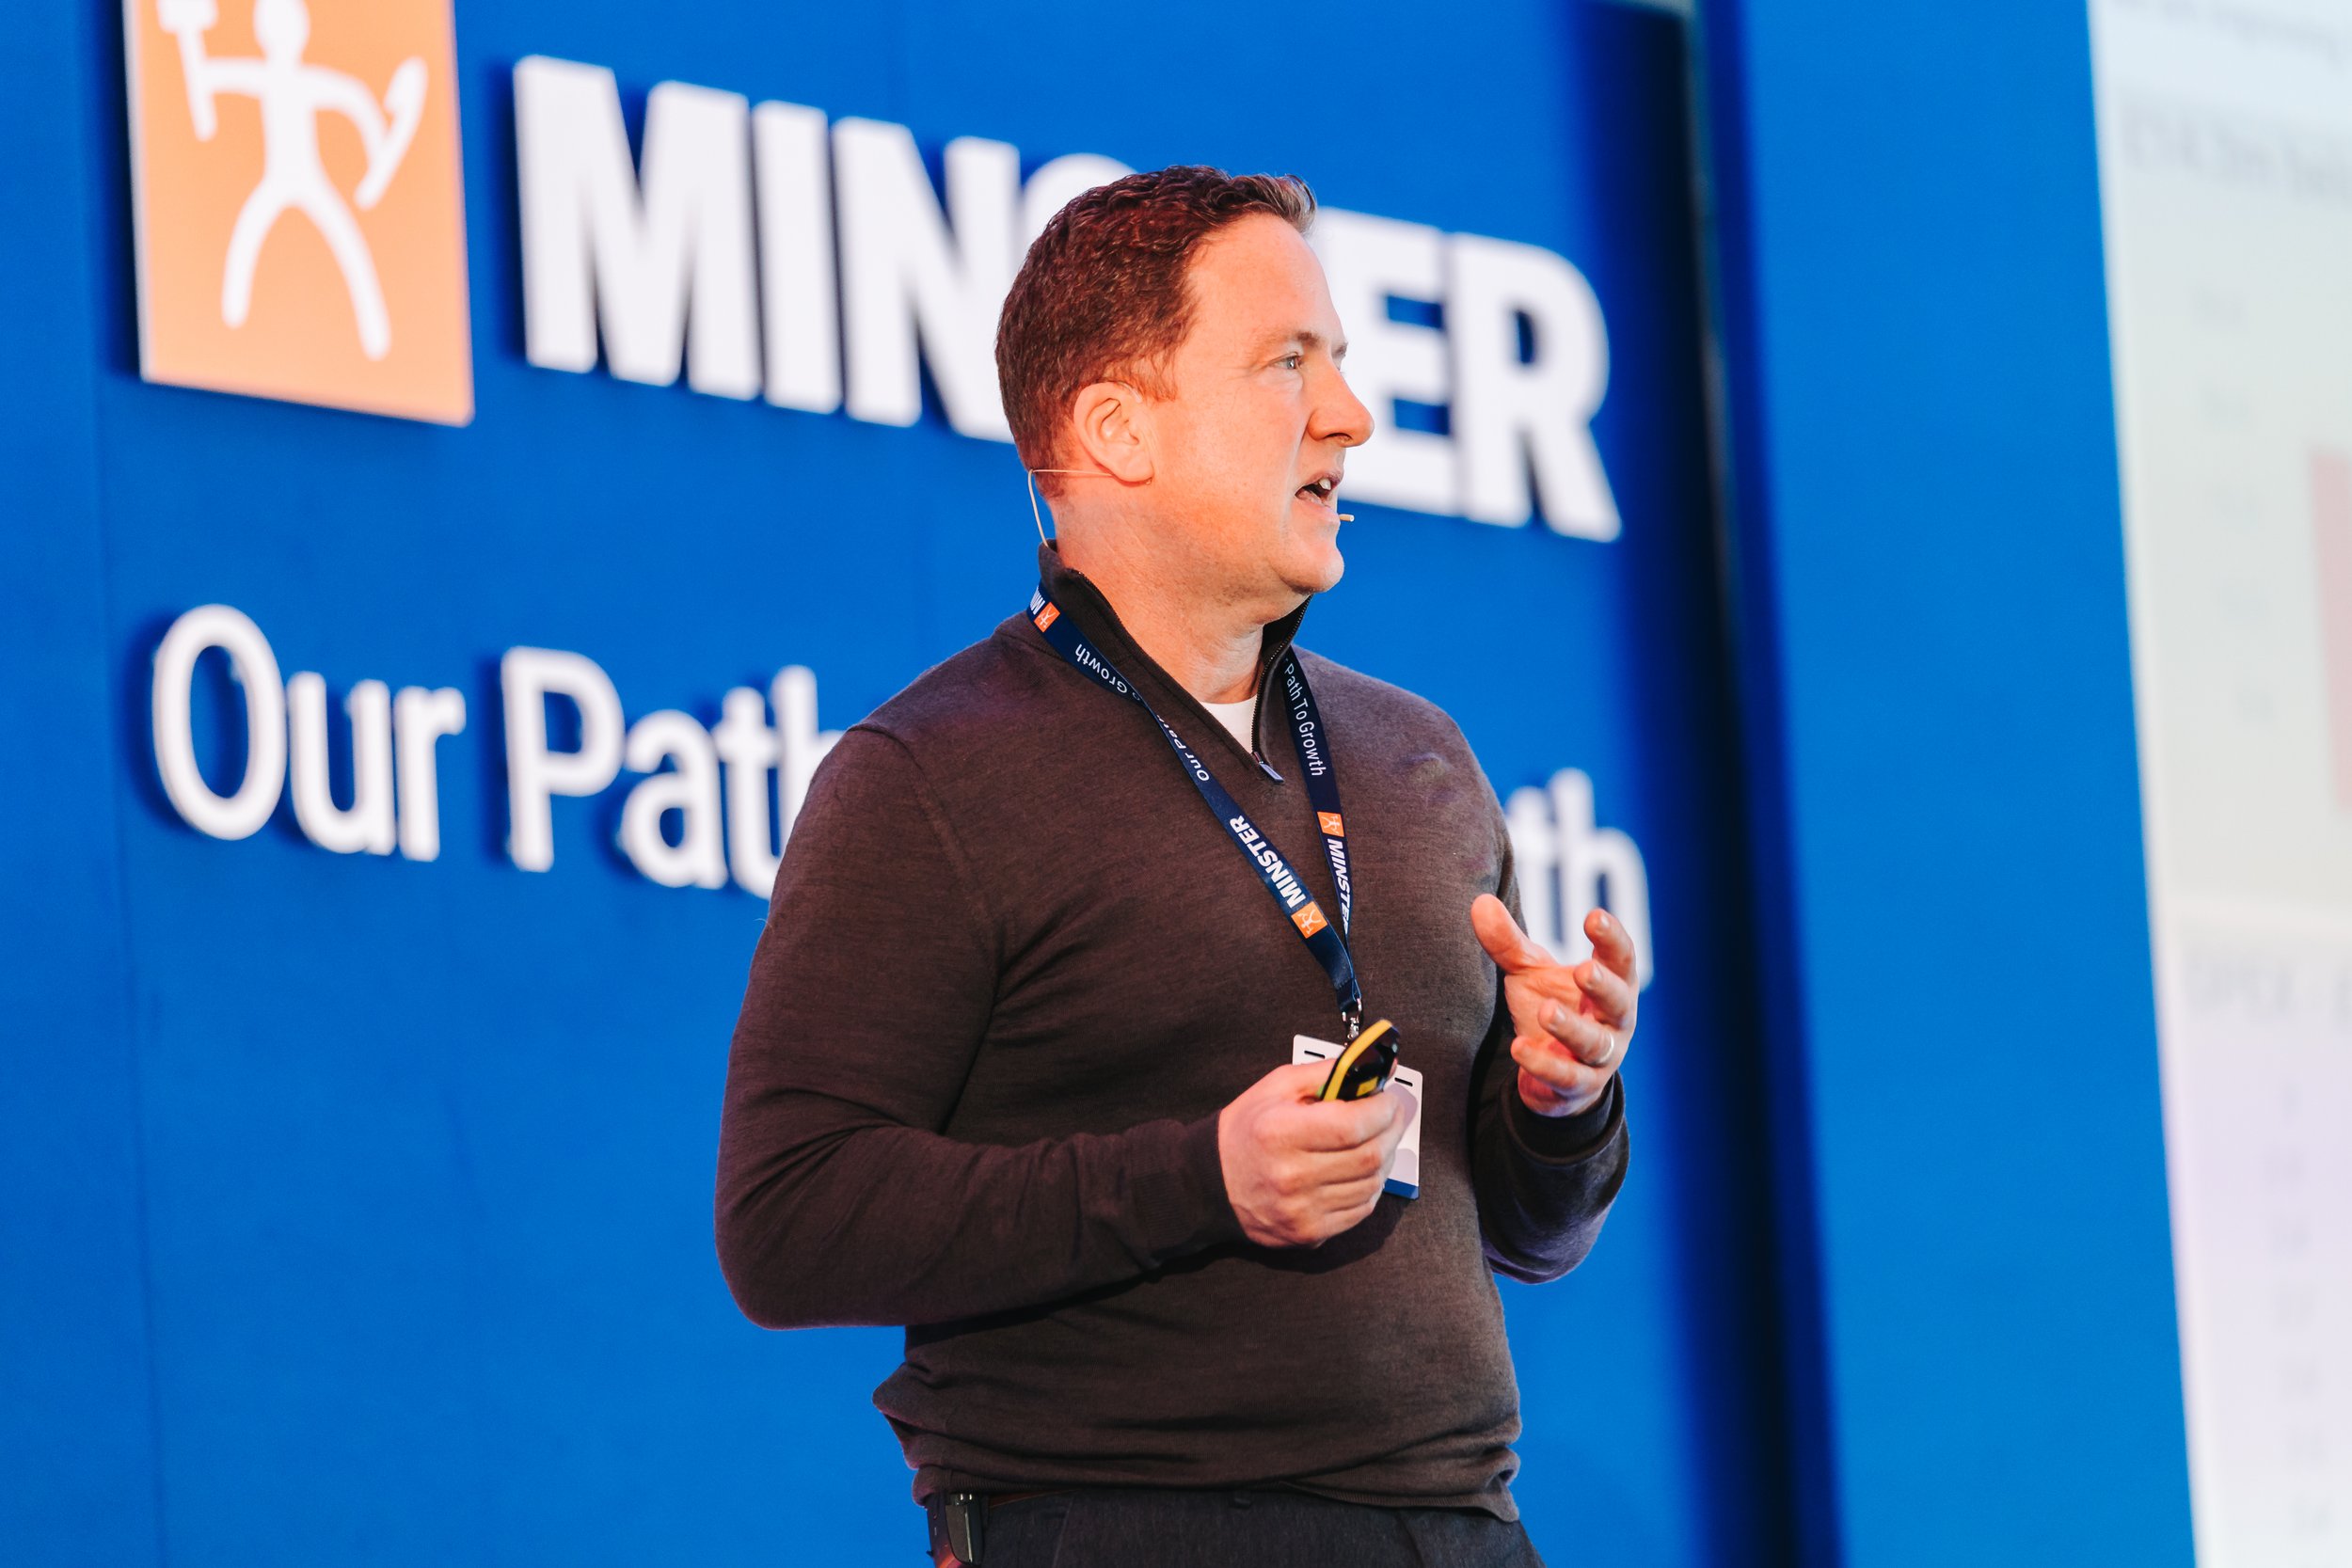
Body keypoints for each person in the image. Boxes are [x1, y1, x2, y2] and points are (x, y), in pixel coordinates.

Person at [715, 166, 1637, 1568]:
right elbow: (787, 1224)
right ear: (1117, 429)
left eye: (1342, 363)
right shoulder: (933, 775)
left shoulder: (1417, 761)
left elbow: (1524, 1233)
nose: (1353, 416)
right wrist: (1204, 1178)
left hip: (1462, 1533)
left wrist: (1560, 1102)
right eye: (1289, 363)